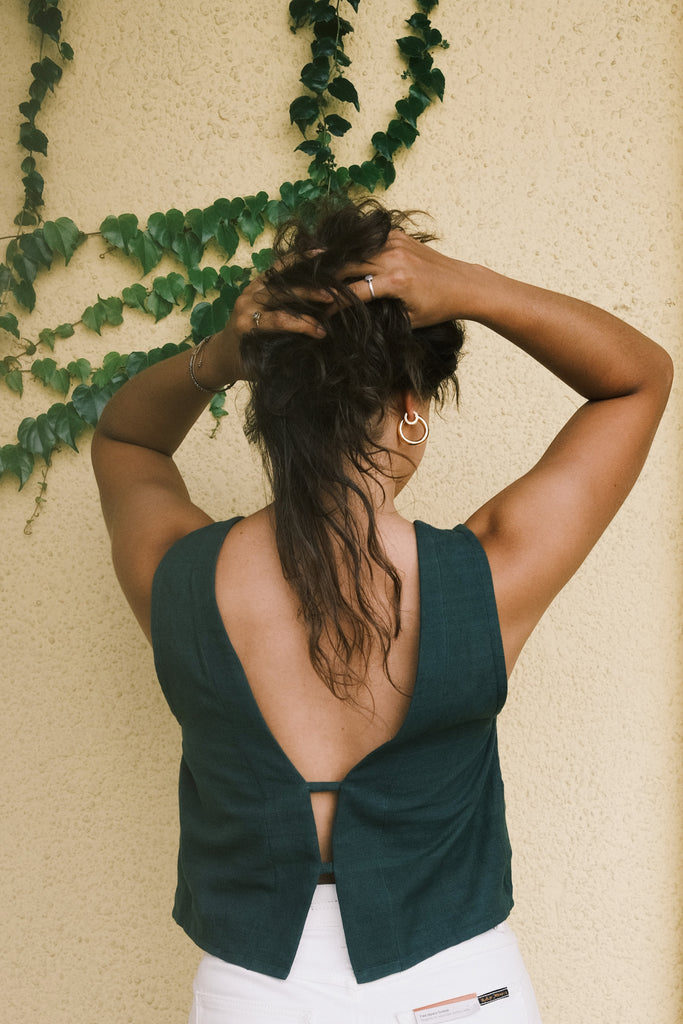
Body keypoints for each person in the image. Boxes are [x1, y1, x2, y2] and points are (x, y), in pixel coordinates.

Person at [91, 198, 672, 1024]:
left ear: (269, 400)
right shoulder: (491, 574)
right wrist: (469, 286)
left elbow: (126, 440)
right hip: (457, 986)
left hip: (253, 998)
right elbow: (637, 378)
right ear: (411, 407)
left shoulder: (177, 575)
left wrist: (219, 354)